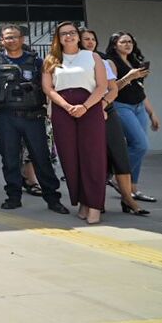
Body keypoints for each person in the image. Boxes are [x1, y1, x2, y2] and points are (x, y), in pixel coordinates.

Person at [0, 25, 69, 214]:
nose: (10, 40)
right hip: (6, 117)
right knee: (10, 159)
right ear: (2, 40)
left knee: (41, 158)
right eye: (6, 38)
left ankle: (53, 198)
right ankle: (13, 197)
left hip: (33, 116)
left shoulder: (37, 62)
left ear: (22, 39)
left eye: (14, 37)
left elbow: (47, 86)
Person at [42, 22, 108, 224]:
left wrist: (85, 107)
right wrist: (67, 106)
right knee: (70, 158)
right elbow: (48, 88)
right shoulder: (51, 60)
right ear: (58, 38)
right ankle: (82, 202)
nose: (68, 36)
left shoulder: (92, 56)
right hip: (63, 111)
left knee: (93, 157)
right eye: (63, 34)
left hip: (90, 107)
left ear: (78, 36)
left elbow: (102, 86)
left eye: (72, 33)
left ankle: (95, 205)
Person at [80, 29, 148, 215]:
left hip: (105, 109)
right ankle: (94, 201)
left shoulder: (103, 61)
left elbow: (112, 88)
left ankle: (128, 199)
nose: (90, 42)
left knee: (120, 153)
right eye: (86, 39)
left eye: (93, 39)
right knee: (94, 158)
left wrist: (103, 104)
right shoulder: (70, 62)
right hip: (83, 112)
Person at [105, 31, 161, 204]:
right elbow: (112, 89)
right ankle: (116, 175)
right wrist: (130, 76)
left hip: (139, 107)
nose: (128, 44)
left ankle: (132, 188)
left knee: (137, 146)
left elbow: (140, 90)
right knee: (141, 145)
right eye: (123, 42)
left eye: (130, 41)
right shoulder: (110, 62)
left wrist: (152, 112)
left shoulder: (135, 61)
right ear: (115, 45)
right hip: (122, 106)